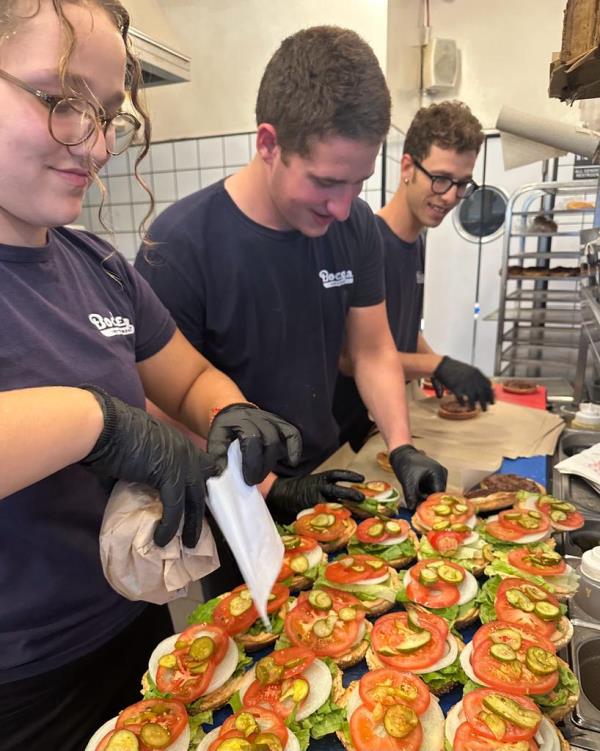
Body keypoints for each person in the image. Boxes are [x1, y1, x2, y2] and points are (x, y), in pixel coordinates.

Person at [0, 3, 301, 749]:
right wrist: (99, 422)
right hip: (17, 690)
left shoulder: (97, 267)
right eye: (62, 101)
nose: (96, 144)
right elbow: (100, 418)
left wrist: (227, 413)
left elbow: (189, 377)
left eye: (107, 114)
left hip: (136, 637)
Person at [135, 26, 448, 596]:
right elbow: (164, 404)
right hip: (242, 503)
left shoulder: (354, 228)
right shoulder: (181, 246)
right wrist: (273, 488)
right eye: (327, 182)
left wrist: (401, 446)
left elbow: (373, 349)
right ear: (268, 143)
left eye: (357, 183)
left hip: (332, 473)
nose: (343, 205)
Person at [334, 100, 495, 450]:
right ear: (407, 166)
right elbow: (351, 358)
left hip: (388, 425)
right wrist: (437, 365)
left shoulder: (416, 242)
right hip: (354, 434)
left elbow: (402, 330)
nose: (450, 196)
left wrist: (434, 364)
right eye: (440, 179)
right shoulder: (370, 242)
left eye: (462, 184)